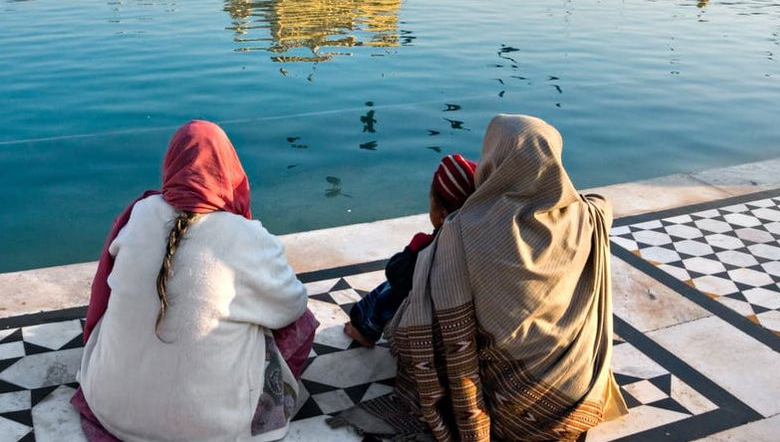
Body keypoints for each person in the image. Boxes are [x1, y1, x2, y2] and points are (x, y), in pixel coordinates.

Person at [334, 115, 627, 442]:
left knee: (421, 313)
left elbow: (422, 295)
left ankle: (366, 324)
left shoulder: (465, 228)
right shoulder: (591, 216)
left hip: (510, 412)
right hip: (578, 399)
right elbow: (599, 202)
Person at [75, 120, 317, 442]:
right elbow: (291, 307)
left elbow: (105, 290)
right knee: (298, 320)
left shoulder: (140, 213)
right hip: (214, 428)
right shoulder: (247, 236)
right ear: (229, 169)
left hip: (109, 407)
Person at [344, 154, 477, 348]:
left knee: (388, 291)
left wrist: (411, 250)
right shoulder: (482, 241)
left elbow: (395, 273)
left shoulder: (426, 246)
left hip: (428, 325)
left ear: (441, 215)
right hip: (468, 324)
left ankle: (366, 330)